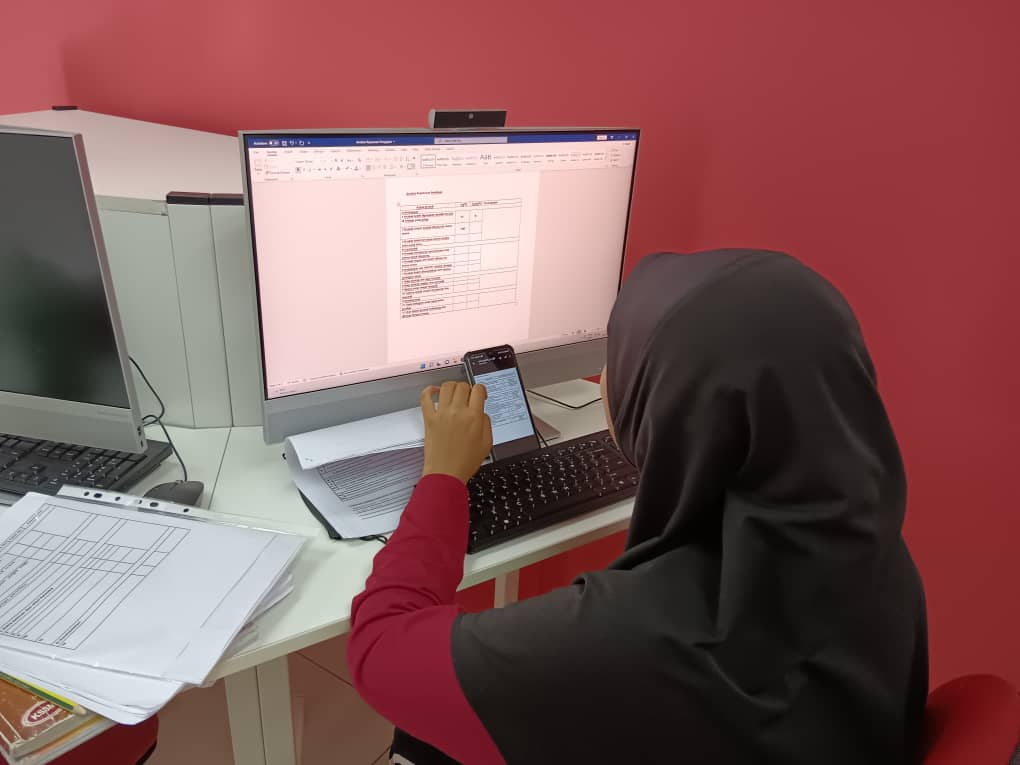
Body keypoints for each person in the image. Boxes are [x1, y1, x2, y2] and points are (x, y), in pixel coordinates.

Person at [347, 249, 929, 764]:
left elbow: (379, 648)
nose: (606, 379)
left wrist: (444, 475)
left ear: (673, 413)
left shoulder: (629, 636)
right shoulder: (877, 557)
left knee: (425, 729)